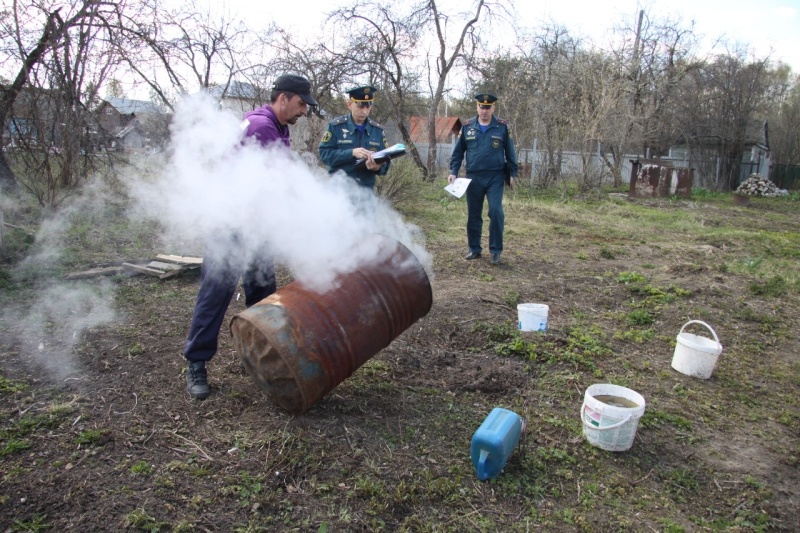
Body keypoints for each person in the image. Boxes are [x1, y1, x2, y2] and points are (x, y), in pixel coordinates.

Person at [183, 74, 318, 400]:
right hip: (231, 225)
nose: (304, 112)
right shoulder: (262, 126)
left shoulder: (277, 126)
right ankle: (196, 363)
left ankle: (264, 360)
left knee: (262, 294)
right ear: (283, 98)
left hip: (255, 226)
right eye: (301, 104)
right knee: (216, 293)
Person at [448, 93, 518, 265]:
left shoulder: (501, 127)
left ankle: (495, 251)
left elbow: (510, 153)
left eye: (488, 107)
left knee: (496, 211)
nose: (484, 110)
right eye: (481, 107)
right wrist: (453, 171)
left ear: (493, 108)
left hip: (495, 176)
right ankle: (474, 249)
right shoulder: (467, 127)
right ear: (477, 107)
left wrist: (512, 174)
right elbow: (458, 153)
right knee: (473, 214)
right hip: (473, 177)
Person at [318, 85, 390, 190]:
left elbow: (386, 161)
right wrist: (351, 153)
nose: (365, 111)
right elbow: (325, 155)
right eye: (360, 107)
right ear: (349, 104)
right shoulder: (336, 126)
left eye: (368, 107)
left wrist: (378, 167)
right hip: (339, 190)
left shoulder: (377, 130)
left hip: (366, 193)